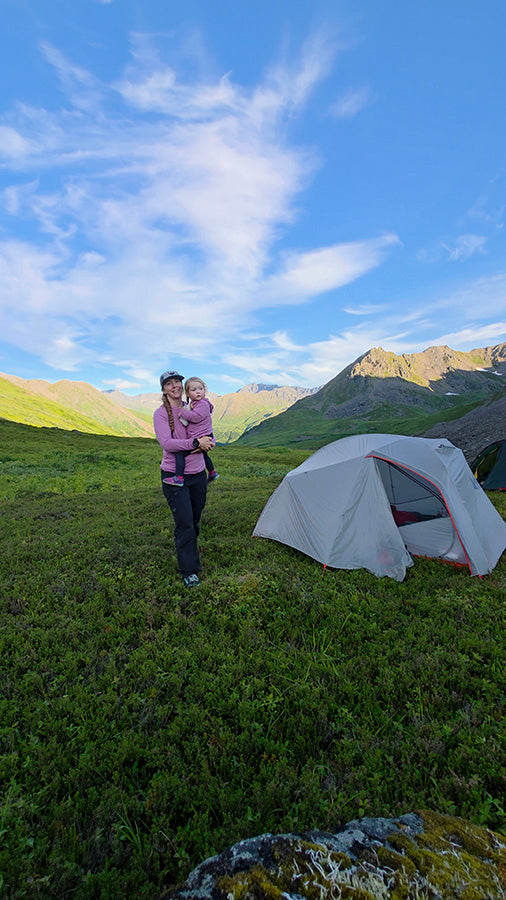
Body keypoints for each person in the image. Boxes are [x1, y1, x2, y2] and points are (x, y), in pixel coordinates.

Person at [153, 370, 214, 589]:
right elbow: (168, 444)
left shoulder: (195, 406)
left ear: (183, 385)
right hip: (173, 475)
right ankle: (189, 571)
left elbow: (205, 429)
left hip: (197, 473)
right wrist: (196, 444)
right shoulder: (161, 414)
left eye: (177, 381)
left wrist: (209, 441)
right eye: (169, 384)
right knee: (185, 522)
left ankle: (190, 550)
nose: (175, 386)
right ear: (164, 390)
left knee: (195, 518)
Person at [163, 376, 219, 487]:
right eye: (194, 390)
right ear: (188, 393)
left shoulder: (201, 404)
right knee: (204, 454)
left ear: (204, 391)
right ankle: (212, 472)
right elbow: (166, 443)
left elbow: (196, 417)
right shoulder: (195, 404)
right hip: (202, 437)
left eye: (200, 389)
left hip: (201, 437)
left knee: (180, 454)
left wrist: (182, 413)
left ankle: (178, 478)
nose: (198, 392)